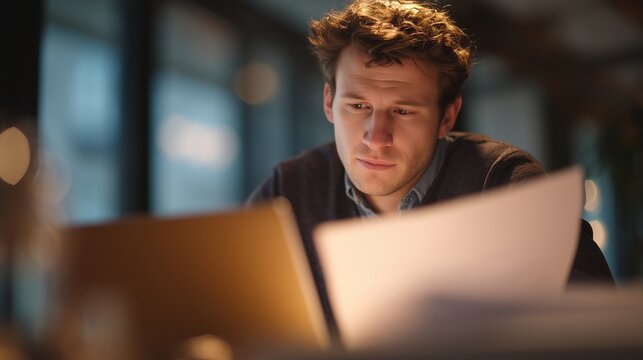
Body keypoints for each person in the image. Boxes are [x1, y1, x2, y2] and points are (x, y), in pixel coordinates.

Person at [247, 0, 613, 337]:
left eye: (404, 112)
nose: (377, 138)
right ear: (329, 102)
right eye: (357, 107)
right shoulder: (289, 190)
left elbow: (597, 327)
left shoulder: (500, 181)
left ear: (447, 116)